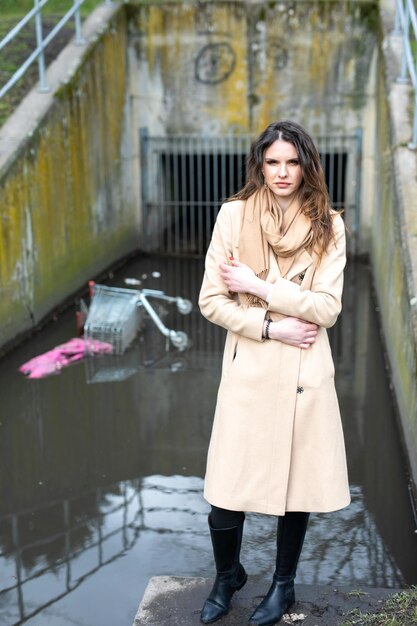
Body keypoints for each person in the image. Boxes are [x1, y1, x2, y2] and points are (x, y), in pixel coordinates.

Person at [198, 120, 350, 626]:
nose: (282, 173)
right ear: (259, 165)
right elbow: (211, 302)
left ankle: (282, 586)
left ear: (306, 165)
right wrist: (270, 326)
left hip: (305, 376)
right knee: (226, 491)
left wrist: (260, 288)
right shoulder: (232, 216)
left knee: (294, 488)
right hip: (248, 372)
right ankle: (228, 577)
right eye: (273, 162)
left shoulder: (329, 225)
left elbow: (327, 309)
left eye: (292, 162)